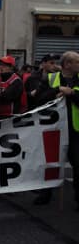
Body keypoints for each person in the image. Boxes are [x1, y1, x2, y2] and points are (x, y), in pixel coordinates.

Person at [33, 51, 79, 209]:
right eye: (77, 62)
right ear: (67, 64)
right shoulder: (51, 79)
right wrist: (56, 91)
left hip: (75, 130)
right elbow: (38, 99)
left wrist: (72, 93)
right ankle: (45, 194)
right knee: (50, 163)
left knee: (78, 164)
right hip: (54, 128)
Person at [0, 55, 23, 120]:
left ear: (11, 67)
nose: (0, 67)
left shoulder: (16, 81)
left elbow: (6, 97)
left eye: (4, 65)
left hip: (10, 117)